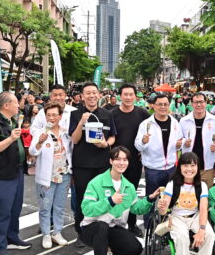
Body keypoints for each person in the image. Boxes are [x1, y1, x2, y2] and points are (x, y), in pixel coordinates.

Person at [80, 146, 153, 255]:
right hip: (91, 229)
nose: (122, 163)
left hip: (112, 227)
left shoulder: (128, 186)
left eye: (125, 159)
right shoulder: (97, 182)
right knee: (101, 227)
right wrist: (110, 201)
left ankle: (107, 249)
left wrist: (150, 199)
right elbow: (86, 209)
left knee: (136, 249)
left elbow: (136, 208)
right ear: (111, 161)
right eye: (118, 159)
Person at [156, 152, 215, 255]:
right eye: (186, 165)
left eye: (193, 165)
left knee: (210, 236)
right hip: (177, 217)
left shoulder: (202, 185)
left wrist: (202, 230)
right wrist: (162, 206)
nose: (189, 169)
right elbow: (164, 209)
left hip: (195, 216)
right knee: (182, 238)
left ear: (197, 167)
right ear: (180, 167)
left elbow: (203, 208)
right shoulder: (172, 184)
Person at [0, 92, 31, 255]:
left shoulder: (12, 121)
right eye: (16, 103)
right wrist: (11, 138)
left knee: (15, 208)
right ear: (6, 105)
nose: (19, 106)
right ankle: (0, 246)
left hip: (17, 169)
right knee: (3, 210)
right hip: (2, 173)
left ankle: (12, 237)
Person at [69, 82, 117, 246]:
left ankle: (102, 230)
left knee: (104, 197)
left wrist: (106, 144)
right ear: (82, 96)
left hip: (102, 163)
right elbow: (74, 139)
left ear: (99, 95)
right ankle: (81, 232)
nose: (91, 96)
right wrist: (82, 122)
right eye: (87, 93)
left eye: (94, 93)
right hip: (82, 164)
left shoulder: (107, 114)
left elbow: (113, 136)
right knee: (82, 198)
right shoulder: (75, 114)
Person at [30, 101, 72, 249]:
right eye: (49, 115)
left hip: (64, 174)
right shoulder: (41, 132)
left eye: (55, 115)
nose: (52, 118)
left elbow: (70, 152)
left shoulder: (66, 132)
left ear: (60, 116)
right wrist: (40, 143)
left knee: (59, 206)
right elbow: (33, 152)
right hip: (47, 176)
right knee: (45, 206)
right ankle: (46, 234)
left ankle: (57, 232)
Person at [110, 84, 149, 237]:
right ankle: (114, 223)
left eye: (131, 94)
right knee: (115, 190)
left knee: (131, 192)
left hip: (135, 161)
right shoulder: (112, 114)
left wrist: (144, 150)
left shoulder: (143, 114)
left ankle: (132, 224)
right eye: (125, 94)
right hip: (116, 161)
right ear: (120, 96)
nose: (128, 97)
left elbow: (150, 134)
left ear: (135, 96)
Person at [135, 93, 183, 208]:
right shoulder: (146, 124)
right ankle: (149, 225)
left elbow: (178, 145)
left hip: (171, 169)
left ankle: (167, 224)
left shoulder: (175, 123)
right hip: (153, 170)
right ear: (153, 106)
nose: (163, 107)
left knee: (171, 200)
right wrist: (144, 141)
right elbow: (137, 146)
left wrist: (178, 145)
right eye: (160, 104)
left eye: (165, 104)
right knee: (151, 200)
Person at [180, 92, 215, 188]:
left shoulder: (214, 120)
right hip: (188, 167)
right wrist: (184, 142)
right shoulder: (184, 121)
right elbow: (178, 141)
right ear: (191, 104)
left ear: (206, 103)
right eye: (195, 102)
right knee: (188, 197)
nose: (199, 105)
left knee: (206, 196)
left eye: (201, 102)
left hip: (208, 167)